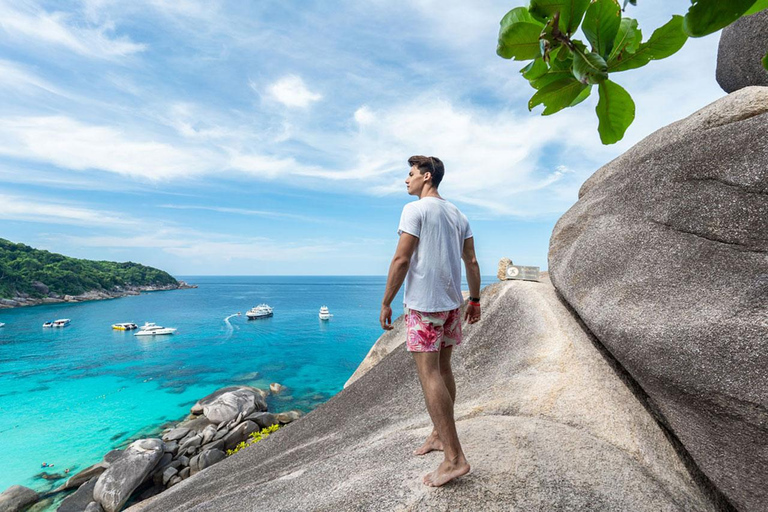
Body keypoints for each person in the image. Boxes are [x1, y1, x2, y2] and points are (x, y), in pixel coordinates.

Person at [380, 155, 481, 487]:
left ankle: (454, 458)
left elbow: (401, 258)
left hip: (425, 305)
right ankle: (439, 434)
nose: (405, 180)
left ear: (426, 177)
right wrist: (476, 299)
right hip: (452, 304)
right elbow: (472, 260)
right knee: (444, 369)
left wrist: (386, 302)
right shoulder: (458, 214)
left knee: (429, 375)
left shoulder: (416, 210)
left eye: (409, 174)